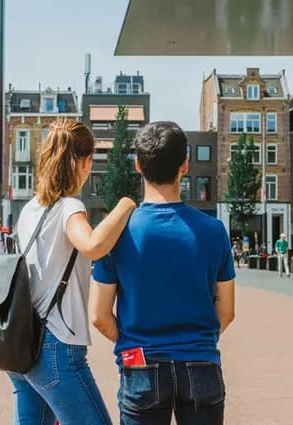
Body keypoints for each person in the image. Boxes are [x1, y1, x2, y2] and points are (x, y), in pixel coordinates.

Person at [91, 121, 235, 425]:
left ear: (138, 165)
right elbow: (227, 310)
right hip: (201, 364)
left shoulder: (117, 234)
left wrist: (133, 341)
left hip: (141, 365)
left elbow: (100, 316)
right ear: (185, 165)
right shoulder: (214, 231)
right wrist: (197, 341)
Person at [9, 118, 134, 425]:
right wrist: (125, 206)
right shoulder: (69, 208)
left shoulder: (30, 209)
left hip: (21, 342)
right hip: (55, 347)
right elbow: (92, 245)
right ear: (85, 161)